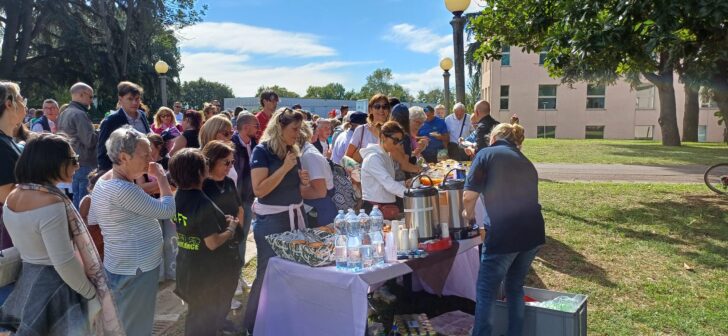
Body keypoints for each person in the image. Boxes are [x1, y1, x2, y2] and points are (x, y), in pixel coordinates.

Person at [1, 133, 124, 335]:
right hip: (59, 288)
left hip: (29, 283)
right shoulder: (51, 203)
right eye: (73, 160)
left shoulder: (13, 196)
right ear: (52, 163)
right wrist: (92, 295)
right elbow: (63, 262)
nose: (77, 166)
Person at [462, 122, 545, 336]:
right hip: (533, 233)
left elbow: (468, 196)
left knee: (486, 292)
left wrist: (468, 216)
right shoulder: (525, 161)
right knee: (514, 287)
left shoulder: (486, 154)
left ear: (494, 137)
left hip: (505, 233)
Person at [91, 125, 175, 335]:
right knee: (136, 324)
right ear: (123, 157)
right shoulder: (122, 189)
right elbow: (167, 210)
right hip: (135, 267)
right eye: (145, 154)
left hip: (126, 263)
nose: (151, 158)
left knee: (129, 319)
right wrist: (162, 178)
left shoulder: (107, 179)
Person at [243, 108, 310, 334]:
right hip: (271, 221)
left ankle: (282, 320)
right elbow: (259, 189)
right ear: (279, 127)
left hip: (293, 217)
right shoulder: (262, 151)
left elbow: (297, 190)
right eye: (294, 129)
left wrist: (303, 182)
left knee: (291, 272)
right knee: (267, 273)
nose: (298, 133)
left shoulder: (293, 150)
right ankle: (252, 325)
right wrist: (285, 169)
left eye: (299, 129)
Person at [170, 148, 241, 336]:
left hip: (187, 267)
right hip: (206, 274)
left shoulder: (177, 196)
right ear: (201, 172)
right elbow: (213, 242)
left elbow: (177, 221)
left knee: (194, 317)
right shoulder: (202, 202)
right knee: (205, 322)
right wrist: (231, 229)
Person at [200, 141, 245, 321]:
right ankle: (212, 325)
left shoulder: (228, 182)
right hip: (212, 247)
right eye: (226, 163)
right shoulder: (202, 186)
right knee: (212, 290)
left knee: (229, 285)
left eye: (232, 162)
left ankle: (221, 320)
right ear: (212, 162)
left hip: (230, 244)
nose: (230, 167)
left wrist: (237, 232)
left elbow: (239, 209)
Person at [56, 82, 98, 209]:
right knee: (85, 202)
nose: (91, 100)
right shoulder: (79, 114)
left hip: (73, 161)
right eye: (90, 97)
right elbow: (90, 140)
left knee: (77, 199)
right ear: (81, 95)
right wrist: (101, 131)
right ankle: (83, 228)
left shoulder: (65, 112)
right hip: (85, 162)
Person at [97, 81, 151, 171]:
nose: (134, 102)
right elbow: (102, 152)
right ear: (120, 99)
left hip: (143, 169)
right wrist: (107, 174)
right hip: (122, 171)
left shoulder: (142, 115)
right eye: (130, 99)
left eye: (137, 99)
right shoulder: (111, 121)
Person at [230, 112, 257, 292]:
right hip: (232, 201)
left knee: (242, 238)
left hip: (248, 199)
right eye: (255, 125)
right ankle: (231, 278)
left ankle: (237, 275)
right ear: (246, 127)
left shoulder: (255, 145)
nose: (258, 128)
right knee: (231, 238)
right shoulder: (231, 145)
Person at [0, 82, 28, 250]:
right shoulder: (1, 145)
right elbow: (4, 195)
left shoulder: (7, 141)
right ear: (9, 104)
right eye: (21, 99)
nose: (24, 104)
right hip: (6, 230)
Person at [360, 121, 408, 212]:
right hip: (374, 209)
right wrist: (411, 194)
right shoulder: (373, 158)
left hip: (385, 206)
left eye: (400, 141)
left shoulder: (386, 155)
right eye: (395, 140)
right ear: (382, 137)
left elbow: (387, 183)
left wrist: (405, 184)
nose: (398, 145)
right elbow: (389, 184)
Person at [298, 122, 337, 227]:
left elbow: (319, 192)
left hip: (319, 213)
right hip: (317, 209)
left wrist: (293, 192)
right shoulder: (306, 152)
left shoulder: (309, 155)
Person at [345, 94, 390, 163]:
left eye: (385, 106)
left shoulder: (393, 131)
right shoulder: (361, 130)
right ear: (370, 110)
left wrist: (379, 135)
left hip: (387, 172)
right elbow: (347, 158)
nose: (381, 109)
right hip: (365, 173)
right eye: (377, 106)